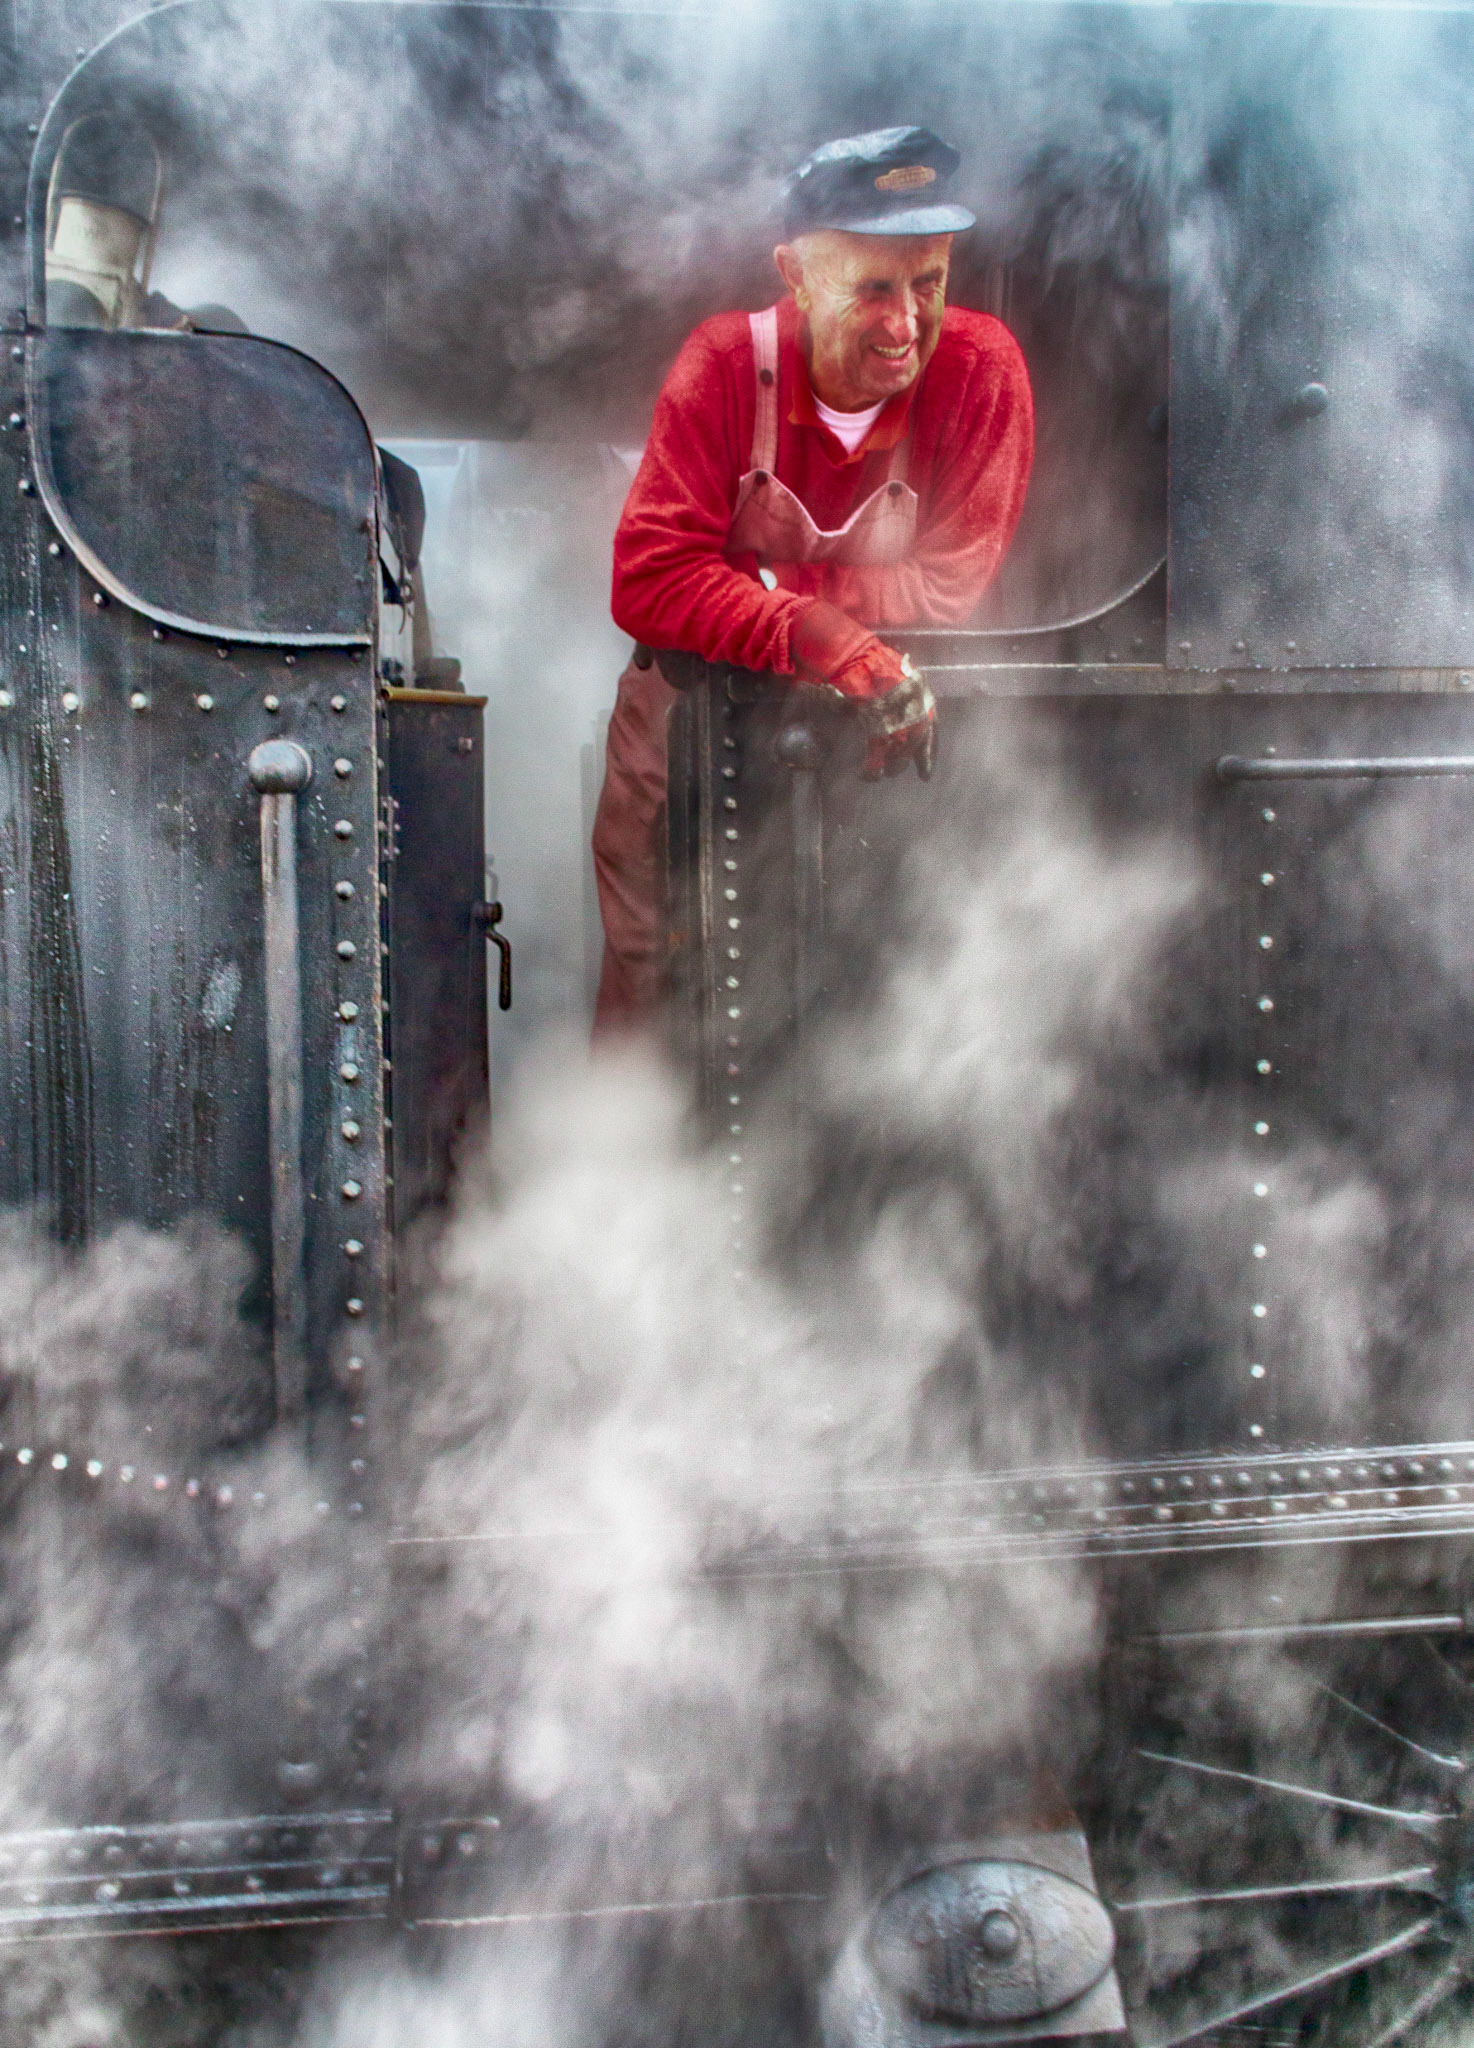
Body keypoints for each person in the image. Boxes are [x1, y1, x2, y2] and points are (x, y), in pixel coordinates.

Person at [591, 124, 1034, 1035]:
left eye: (928, 284)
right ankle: (621, 1162)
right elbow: (645, 582)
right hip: (685, 723)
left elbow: (951, 591)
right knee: (652, 966)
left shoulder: (983, 372)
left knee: (878, 990)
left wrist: (754, 588)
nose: (905, 324)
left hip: (887, 738)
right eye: (873, 288)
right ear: (795, 274)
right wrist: (822, 635)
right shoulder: (721, 365)